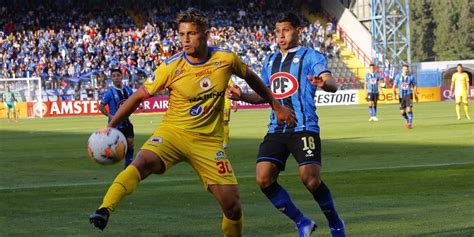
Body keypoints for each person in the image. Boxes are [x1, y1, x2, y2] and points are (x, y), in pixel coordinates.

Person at [89, 8, 295, 236]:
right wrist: (111, 125)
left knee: (233, 206)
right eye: (182, 34)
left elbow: (252, 79)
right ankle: (104, 208)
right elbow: (137, 97)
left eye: (191, 34)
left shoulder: (226, 59)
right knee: (142, 162)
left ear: (205, 35)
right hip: (173, 133)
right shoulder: (171, 66)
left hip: (207, 142)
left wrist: (276, 106)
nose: (185, 40)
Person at [228, 13, 345, 237]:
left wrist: (325, 83)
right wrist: (242, 95)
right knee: (263, 178)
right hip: (277, 128)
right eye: (277, 31)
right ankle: (302, 222)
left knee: (310, 180)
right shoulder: (270, 61)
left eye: (286, 30)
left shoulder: (311, 56)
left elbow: (331, 82)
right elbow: (265, 95)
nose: (281, 35)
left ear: (298, 31)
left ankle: (335, 223)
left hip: (304, 126)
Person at [98, 68, 135, 167]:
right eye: (114, 76)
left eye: (118, 75)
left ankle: (128, 165)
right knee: (114, 147)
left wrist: (138, 105)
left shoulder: (128, 89)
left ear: (122, 77)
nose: (116, 78)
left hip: (126, 122)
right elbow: (101, 106)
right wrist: (110, 115)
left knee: (130, 143)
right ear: (111, 79)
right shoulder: (109, 93)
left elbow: (133, 100)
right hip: (114, 124)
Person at [392, 64, 418, 129]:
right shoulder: (398, 76)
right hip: (401, 96)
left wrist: (415, 94)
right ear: (402, 70)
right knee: (402, 112)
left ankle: (410, 124)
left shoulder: (411, 77)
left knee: (409, 109)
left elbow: (414, 85)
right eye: (404, 69)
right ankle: (406, 118)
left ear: (408, 70)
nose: (405, 70)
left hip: (409, 95)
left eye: (406, 69)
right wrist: (393, 93)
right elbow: (394, 85)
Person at [223, 80, 239, 149]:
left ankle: (225, 143)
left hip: (225, 104)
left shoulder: (228, 79)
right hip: (215, 104)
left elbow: (234, 91)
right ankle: (223, 138)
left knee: (225, 123)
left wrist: (235, 103)